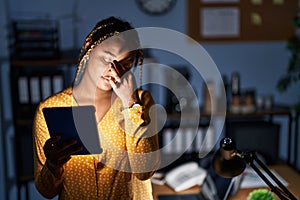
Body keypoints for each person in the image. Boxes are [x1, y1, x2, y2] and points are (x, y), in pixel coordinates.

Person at [33, 16, 160, 200]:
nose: (114, 71)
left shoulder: (141, 102)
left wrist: (131, 104)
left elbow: (145, 171)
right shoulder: (51, 108)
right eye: (107, 59)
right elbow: (46, 191)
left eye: (125, 64)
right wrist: (53, 165)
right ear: (89, 47)